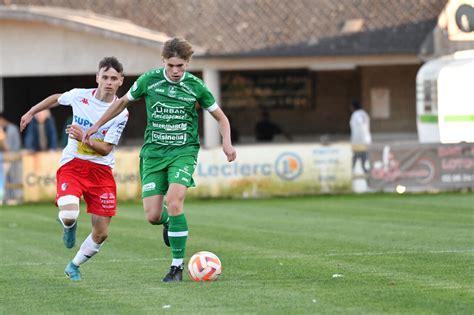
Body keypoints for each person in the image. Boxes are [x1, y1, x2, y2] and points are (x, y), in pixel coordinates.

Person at [83, 37, 237, 283]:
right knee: (153, 215)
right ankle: (168, 222)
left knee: (175, 201)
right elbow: (122, 102)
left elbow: (221, 118)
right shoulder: (149, 80)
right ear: (163, 61)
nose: (176, 71)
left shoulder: (196, 86)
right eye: (171, 65)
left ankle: (177, 267)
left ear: (188, 62)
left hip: (183, 151)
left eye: (181, 66)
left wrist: (226, 142)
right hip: (153, 153)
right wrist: (97, 125)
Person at [19, 57, 128, 281]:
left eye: (113, 78)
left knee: (101, 233)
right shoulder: (80, 95)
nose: (108, 82)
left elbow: (106, 149)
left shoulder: (121, 112)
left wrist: (84, 139)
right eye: (105, 77)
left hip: (101, 172)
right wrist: (31, 111)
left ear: (120, 82)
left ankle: (74, 265)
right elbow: (56, 99)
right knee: (69, 214)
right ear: (97, 77)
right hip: (73, 164)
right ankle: (69, 225)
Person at [0, 113, 22, 202]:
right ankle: (4, 198)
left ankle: (12, 198)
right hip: (2, 158)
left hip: (11, 157)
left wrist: (11, 154)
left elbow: (14, 145)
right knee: (3, 178)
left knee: (12, 177)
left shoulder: (13, 128)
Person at [349, 100, 372, 173]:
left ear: (353, 107)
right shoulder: (364, 113)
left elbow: (361, 126)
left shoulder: (356, 114)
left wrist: (357, 140)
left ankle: (353, 171)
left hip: (358, 140)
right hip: (366, 140)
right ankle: (364, 171)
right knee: (364, 158)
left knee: (356, 157)